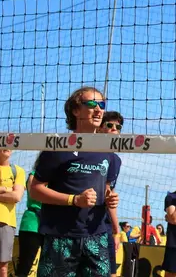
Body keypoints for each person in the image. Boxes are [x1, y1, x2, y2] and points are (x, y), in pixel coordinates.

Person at [30, 86, 120, 277]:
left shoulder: (109, 153)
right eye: (91, 103)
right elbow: (35, 190)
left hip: (96, 236)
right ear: (75, 110)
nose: (98, 109)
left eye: (102, 104)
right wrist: (73, 200)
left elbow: (105, 190)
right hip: (61, 236)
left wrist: (110, 199)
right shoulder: (58, 147)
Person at [0, 149, 26, 277]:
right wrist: (5, 189)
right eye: (3, 143)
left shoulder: (18, 171)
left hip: (7, 222)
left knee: (2, 265)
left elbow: (16, 197)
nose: (6, 147)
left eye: (10, 145)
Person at [100, 110, 125, 277]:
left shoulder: (115, 159)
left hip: (102, 222)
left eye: (118, 127)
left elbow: (109, 192)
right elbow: (106, 190)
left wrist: (116, 229)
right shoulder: (84, 150)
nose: (114, 129)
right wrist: (117, 229)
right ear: (100, 128)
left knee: (110, 272)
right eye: (109, 125)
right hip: (83, 222)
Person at [15, 164, 42, 277]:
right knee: (24, 266)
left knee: (50, 267)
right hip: (32, 224)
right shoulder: (34, 175)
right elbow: (34, 193)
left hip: (51, 226)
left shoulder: (58, 177)